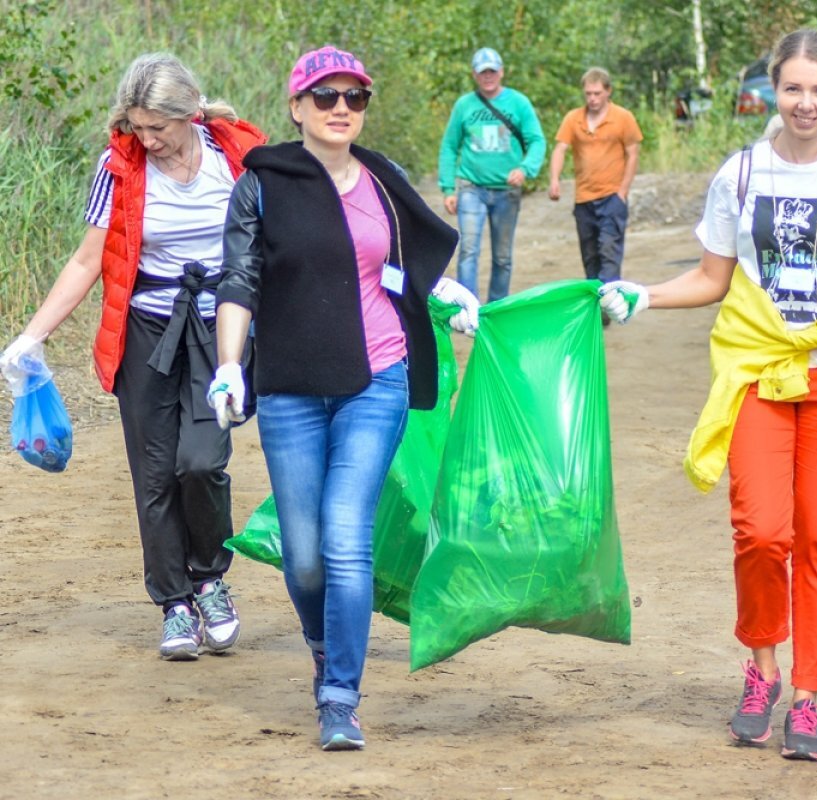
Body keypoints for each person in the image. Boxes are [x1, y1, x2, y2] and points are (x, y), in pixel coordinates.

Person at [597, 29, 817, 762]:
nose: (805, 102)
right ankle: (761, 670)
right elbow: (712, 277)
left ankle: (810, 697)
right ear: (773, 90)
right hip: (761, 374)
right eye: (793, 88)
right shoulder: (741, 174)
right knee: (761, 533)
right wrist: (645, 295)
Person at [208, 45, 476, 752]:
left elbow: (402, 263)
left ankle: (339, 696)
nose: (340, 109)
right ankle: (324, 647)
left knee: (346, 538)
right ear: (295, 106)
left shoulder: (382, 179)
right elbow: (239, 281)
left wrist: (439, 290)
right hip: (292, 386)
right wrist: (230, 364)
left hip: (376, 379)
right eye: (324, 96)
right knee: (305, 557)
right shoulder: (262, 184)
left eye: (353, 98)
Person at [0, 53, 266, 661]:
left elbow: (281, 243)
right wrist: (32, 336)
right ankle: (175, 603)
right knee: (155, 474)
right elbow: (87, 260)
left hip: (220, 333)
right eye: (138, 127)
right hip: (146, 333)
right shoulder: (119, 165)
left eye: (159, 129)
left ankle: (210, 578)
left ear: (191, 114)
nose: (147, 140)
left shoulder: (239, 160)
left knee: (201, 462)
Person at [437, 47, 546, 302]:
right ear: (474, 74)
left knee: (503, 256)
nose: (488, 76)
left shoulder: (518, 103)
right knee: (468, 250)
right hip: (471, 187)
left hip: (507, 191)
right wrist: (448, 188)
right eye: (483, 72)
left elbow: (537, 141)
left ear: (502, 72)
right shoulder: (464, 105)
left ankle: (496, 307)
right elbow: (450, 146)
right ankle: (467, 307)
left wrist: (525, 169)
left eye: (492, 71)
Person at [548, 67, 643, 285]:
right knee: (590, 257)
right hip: (584, 199)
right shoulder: (574, 118)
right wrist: (554, 180)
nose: (592, 99)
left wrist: (623, 192)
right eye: (588, 94)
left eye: (597, 93)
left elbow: (632, 153)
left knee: (609, 252)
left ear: (608, 91)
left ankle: (607, 303)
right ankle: (596, 305)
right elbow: (560, 148)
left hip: (612, 196)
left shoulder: (622, 118)